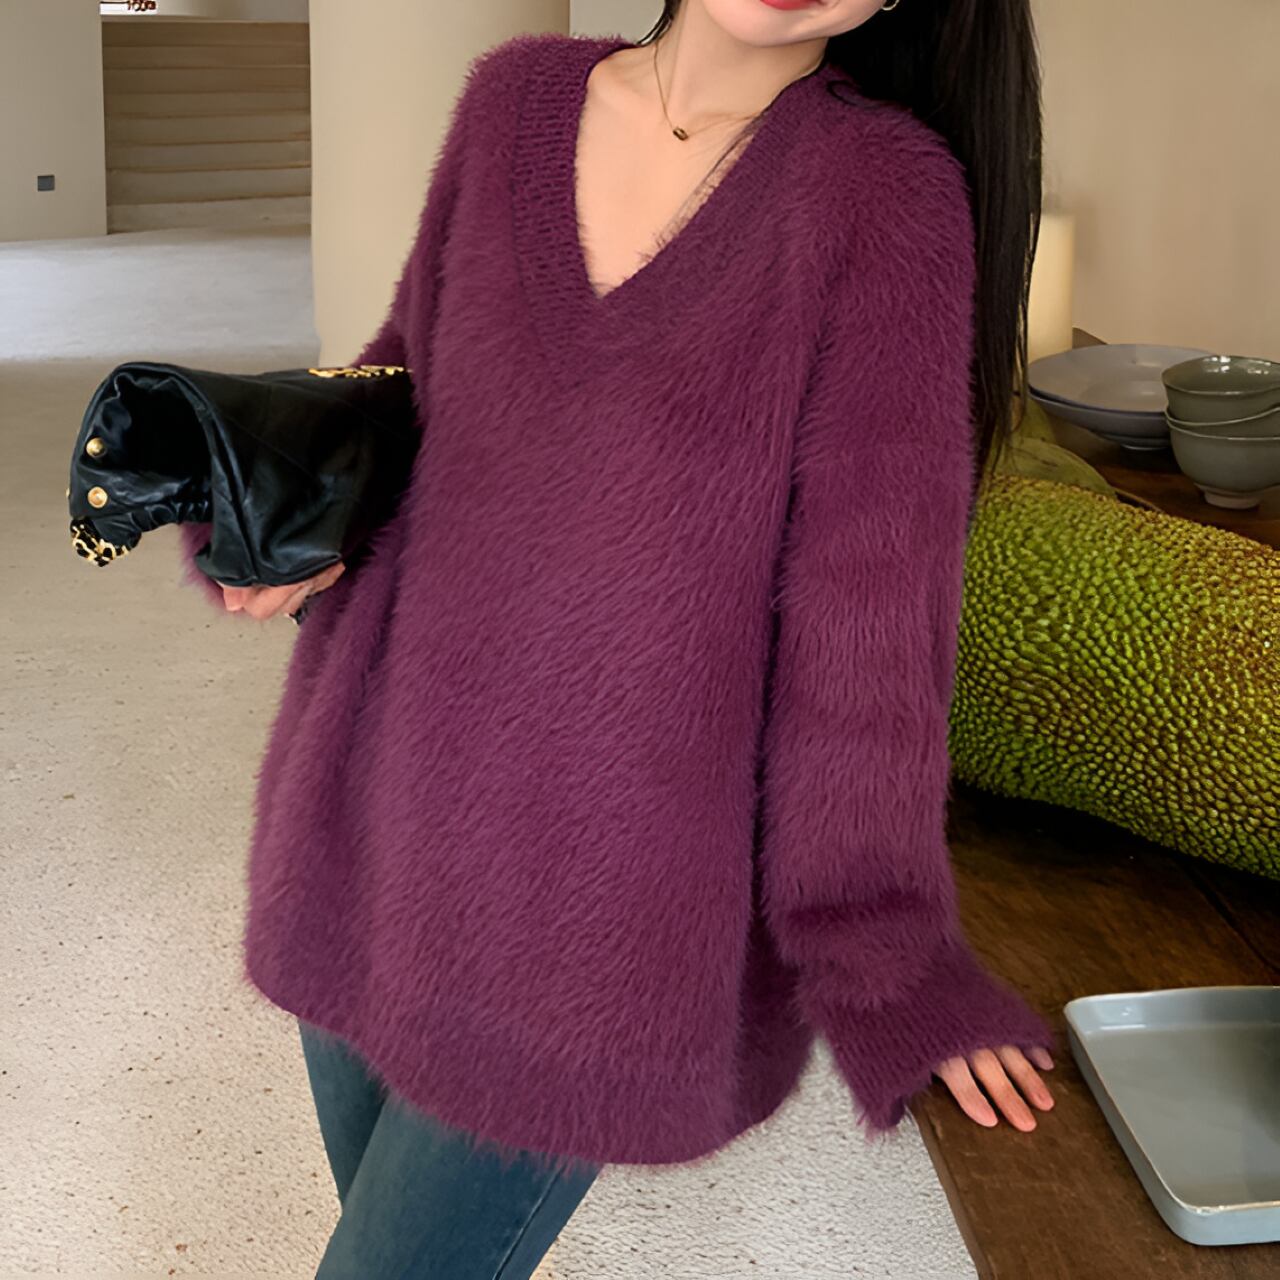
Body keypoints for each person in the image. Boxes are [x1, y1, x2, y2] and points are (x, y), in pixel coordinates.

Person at [179, 1, 1057, 1275]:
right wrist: (279, 509)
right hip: (379, 812)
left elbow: (869, 616)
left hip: (608, 908)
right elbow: (409, 381)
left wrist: (888, 956)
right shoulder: (512, 105)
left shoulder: (882, 197)